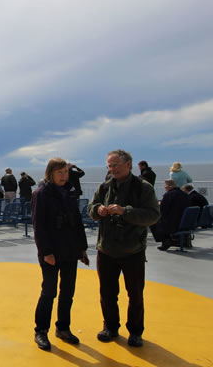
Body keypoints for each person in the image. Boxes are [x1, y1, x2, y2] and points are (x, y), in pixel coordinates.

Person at [87, 149, 160, 348]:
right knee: (107, 293)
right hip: (106, 250)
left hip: (132, 251)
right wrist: (98, 210)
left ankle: (136, 331)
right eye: (109, 166)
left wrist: (124, 211)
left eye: (115, 165)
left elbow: (153, 215)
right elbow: (90, 209)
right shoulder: (104, 187)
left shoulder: (143, 188)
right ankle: (110, 327)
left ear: (128, 164)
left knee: (135, 294)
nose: (112, 169)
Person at [31, 158, 89, 351]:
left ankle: (63, 328)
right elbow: (39, 226)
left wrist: (82, 248)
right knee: (49, 292)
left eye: (65, 172)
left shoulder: (70, 192)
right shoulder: (42, 194)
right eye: (60, 172)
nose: (64, 176)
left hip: (71, 250)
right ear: (50, 173)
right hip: (52, 251)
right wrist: (46, 252)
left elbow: (77, 221)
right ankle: (41, 331)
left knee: (68, 292)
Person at [151, 179, 190, 250]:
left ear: (169, 187)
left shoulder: (168, 195)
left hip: (174, 223)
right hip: (185, 221)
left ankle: (166, 241)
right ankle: (173, 240)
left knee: (153, 222)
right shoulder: (184, 194)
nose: (165, 189)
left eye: (165, 188)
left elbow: (162, 210)